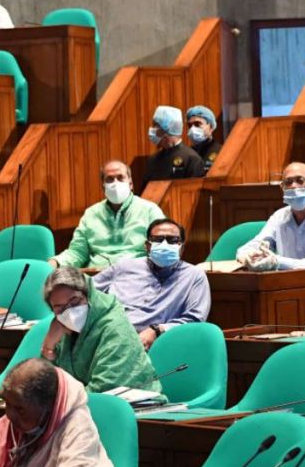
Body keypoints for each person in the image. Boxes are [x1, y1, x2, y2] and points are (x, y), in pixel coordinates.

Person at [39, 267, 161, 393]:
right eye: (60, 308)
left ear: (89, 295)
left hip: (136, 408)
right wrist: (48, 347)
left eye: (74, 302)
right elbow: (45, 385)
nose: (69, 312)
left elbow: (104, 389)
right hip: (84, 406)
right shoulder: (62, 330)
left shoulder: (115, 329)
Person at [94, 218, 210, 350]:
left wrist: (158, 330)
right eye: (158, 239)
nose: (165, 244)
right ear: (147, 246)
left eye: (173, 240)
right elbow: (86, 291)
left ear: (182, 247)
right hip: (108, 338)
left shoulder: (194, 276)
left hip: (156, 344)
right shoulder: (123, 267)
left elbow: (195, 319)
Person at [49, 160, 164, 269]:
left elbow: (161, 249)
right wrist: (54, 263)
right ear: (103, 187)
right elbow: (77, 252)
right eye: (109, 179)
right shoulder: (91, 214)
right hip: (97, 276)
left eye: (120, 177)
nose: (115, 183)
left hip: (136, 274)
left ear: (130, 184)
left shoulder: (150, 210)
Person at [236, 162, 305, 271]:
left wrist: (278, 262)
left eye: (300, 180)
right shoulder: (279, 217)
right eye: (288, 182)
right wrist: (247, 256)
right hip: (285, 286)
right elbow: (253, 246)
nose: (294, 186)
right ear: (282, 188)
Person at [141, 106, 205, 188]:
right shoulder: (153, 160)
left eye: (156, 126)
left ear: (167, 128)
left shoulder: (192, 159)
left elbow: (192, 193)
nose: (152, 129)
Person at [186, 105, 222, 173]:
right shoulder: (188, 154)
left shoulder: (221, 152)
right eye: (190, 125)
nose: (192, 129)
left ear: (210, 127)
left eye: (197, 124)